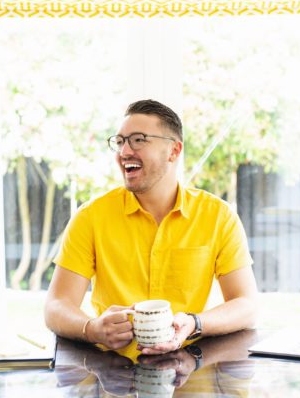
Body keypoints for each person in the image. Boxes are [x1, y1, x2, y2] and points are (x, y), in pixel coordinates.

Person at [45, 99, 258, 355]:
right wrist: (92, 329)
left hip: (189, 367)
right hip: (111, 370)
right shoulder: (90, 216)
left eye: (138, 140)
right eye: (120, 141)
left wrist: (194, 323)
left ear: (174, 151)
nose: (124, 151)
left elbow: (247, 305)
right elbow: (56, 305)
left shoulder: (218, 216)